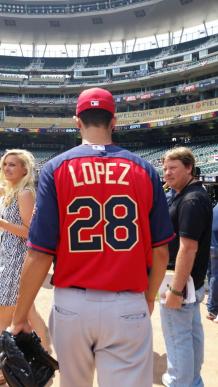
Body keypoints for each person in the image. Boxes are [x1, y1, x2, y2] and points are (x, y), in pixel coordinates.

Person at [10, 88, 174, 387]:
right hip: (128, 303)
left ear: (77, 121)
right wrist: (148, 298)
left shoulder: (55, 168)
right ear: (114, 121)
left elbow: (40, 253)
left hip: (72, 304)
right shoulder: (145, 169)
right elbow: (161, 252)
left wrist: (20, 317)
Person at [160, 147, 213, 387]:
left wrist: (176, 290)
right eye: (165, 168)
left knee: (177, 338)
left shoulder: (191, 199)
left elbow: (188, 248)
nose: (167, 173)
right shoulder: (191, 194)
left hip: (181, 282)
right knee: (191, 335)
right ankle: (193, 381)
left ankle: (179, 383)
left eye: (173, 168)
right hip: (191, 282)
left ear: (189, 168)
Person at [0, 149, 49, 384]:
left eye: (12, 165)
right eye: (5, 164)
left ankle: (5, 366)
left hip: (18, 260)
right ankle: (45, 357)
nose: (7, 168)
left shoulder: (26, 193)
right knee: (28, 313)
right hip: (8, 258)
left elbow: (30, 232)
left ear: (24, 169)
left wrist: (1, 223)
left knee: (4, 314)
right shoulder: (11, 191)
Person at [207, 202, 218, 323]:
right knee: (215, 277)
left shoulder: (214, 208)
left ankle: (211, 307)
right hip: (216, 247)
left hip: (211, 247)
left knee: (211, 276)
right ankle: (213, 309)